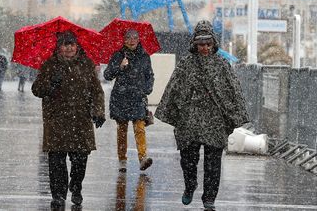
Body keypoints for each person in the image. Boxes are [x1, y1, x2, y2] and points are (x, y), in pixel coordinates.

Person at [154, 20, 249, 211]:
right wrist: (177, 110)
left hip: (214, 120)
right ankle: (190, 185)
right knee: (188, 159)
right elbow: (174, 89)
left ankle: (209, 199)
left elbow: (233, 90)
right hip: (191, 119)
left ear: (213, 43)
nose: (204, 48)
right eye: (201, 44)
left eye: (208, 44)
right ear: (195, 44)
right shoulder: (186, 64)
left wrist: (234, 114)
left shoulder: (222, 64)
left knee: (213, 163)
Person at [31, 31, 105, 209]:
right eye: (65, 44)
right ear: (59, 47)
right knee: (56, 162)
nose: (69, 47)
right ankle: (58, 194)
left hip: (80, 122)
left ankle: (76, 186)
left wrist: (98, 112)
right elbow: (37, 89)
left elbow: (97, 91)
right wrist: (51, 84)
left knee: (80, 160)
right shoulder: (49, 65)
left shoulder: (86, 64)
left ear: (77, 46)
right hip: (56, 122)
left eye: (72, 44)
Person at [103, 29, 154, 173]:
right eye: (128, 37)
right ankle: (122, 160)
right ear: (124, 40)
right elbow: (107, 75)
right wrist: (119, 67)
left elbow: (149, 75)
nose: (132, 40)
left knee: (140, 128)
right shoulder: (118, 55)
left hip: (138, 97)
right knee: (122, 130)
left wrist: (147, 88)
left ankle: (143, 158)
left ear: (139, 39)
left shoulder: (144, 56)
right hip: (121, 97)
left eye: (135, 37)